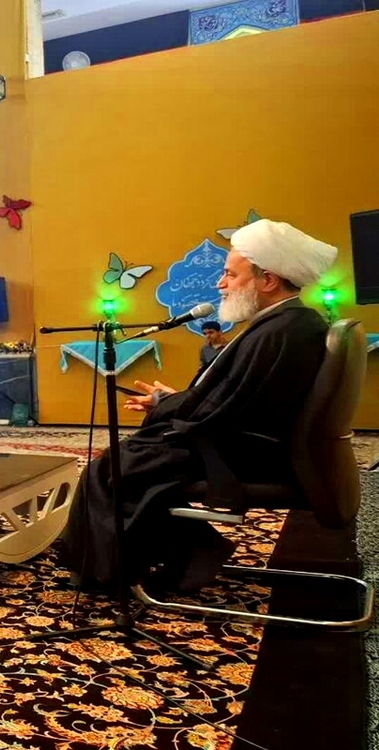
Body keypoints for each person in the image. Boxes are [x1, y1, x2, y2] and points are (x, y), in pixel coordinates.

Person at [64, 219, 337, 591]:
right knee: (128, 463)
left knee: (111, 468)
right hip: (246, 442)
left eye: (230, 275)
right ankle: (189, 550)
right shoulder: (285, 324)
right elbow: (230, 398)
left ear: (268, 280)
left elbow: (226, 408)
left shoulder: (281, 331)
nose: (221, 284)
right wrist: (170, 402)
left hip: (240, 452)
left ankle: (111, 573)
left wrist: (166, 405)